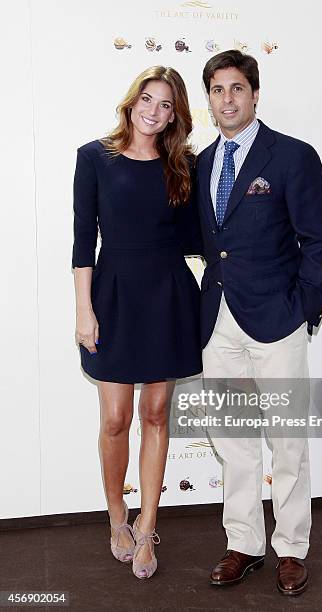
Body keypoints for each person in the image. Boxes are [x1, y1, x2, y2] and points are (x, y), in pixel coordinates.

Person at [196, 50, 322, 595]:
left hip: (277, 320)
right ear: (209, 99)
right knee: (232, 438)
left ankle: (292, 548)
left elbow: (321, 240)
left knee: (287, 440)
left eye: (237, 89)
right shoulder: (204, 164)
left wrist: (301, 307)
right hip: (219, 323)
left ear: (255, 94)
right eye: (217, 90)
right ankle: (243, 543)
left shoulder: (292, 157)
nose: (227, 99)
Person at [72, 65, 202, 579]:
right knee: (114, 419)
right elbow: (84, 242)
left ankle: (148, 528)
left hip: (167, 294)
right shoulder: (94, 158)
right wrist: (85, 310)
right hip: (115, 294)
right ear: (131, 102)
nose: (154, 110)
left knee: (155, 414)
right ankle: (117, 518)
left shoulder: (181, 164)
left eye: (166, 104)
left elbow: (199, 238)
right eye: (147, 99)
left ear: (176, 115)